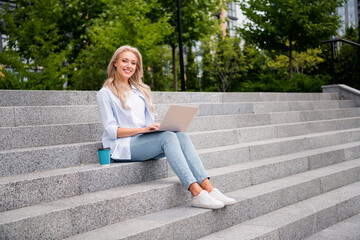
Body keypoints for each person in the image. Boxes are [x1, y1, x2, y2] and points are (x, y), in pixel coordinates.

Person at [96, 45, 236, 209]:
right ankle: (196, 193)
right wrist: (143, 130)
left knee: (180, 134)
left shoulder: (140, 91)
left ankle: (208, 188)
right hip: (123, 146)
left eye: (133, 63)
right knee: (168, 137)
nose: (129, 66)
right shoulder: (105, 93)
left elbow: (148, 123)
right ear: (115, 63)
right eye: (124, 61)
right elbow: (111, 131)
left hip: (143, 141)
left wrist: (156, 127)